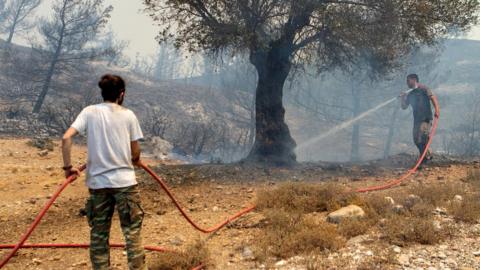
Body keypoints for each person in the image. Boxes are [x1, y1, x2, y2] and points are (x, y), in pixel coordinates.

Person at [61, 74, 146, 270]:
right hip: (125, 184)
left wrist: (68, 168)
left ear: (102, 92)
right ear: (121, 94)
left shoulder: (89, 112)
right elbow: (135, 151)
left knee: (99, 235)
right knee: (132, 233)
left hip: (98, 185)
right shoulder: (128, 115)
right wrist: (136, 159)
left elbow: (66, 138)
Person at [400, 74, 439, 165]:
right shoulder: (410, 94)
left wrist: (437, 110)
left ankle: (424, 159)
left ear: (414, 80)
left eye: (408, 81)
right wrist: (403, 98)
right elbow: (404, 107)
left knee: (422, 137)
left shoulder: (424, 89)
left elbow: (433, 98)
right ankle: (426, 156)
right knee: (416, 140)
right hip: (417, 120)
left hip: (426, 118)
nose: (407, 83)